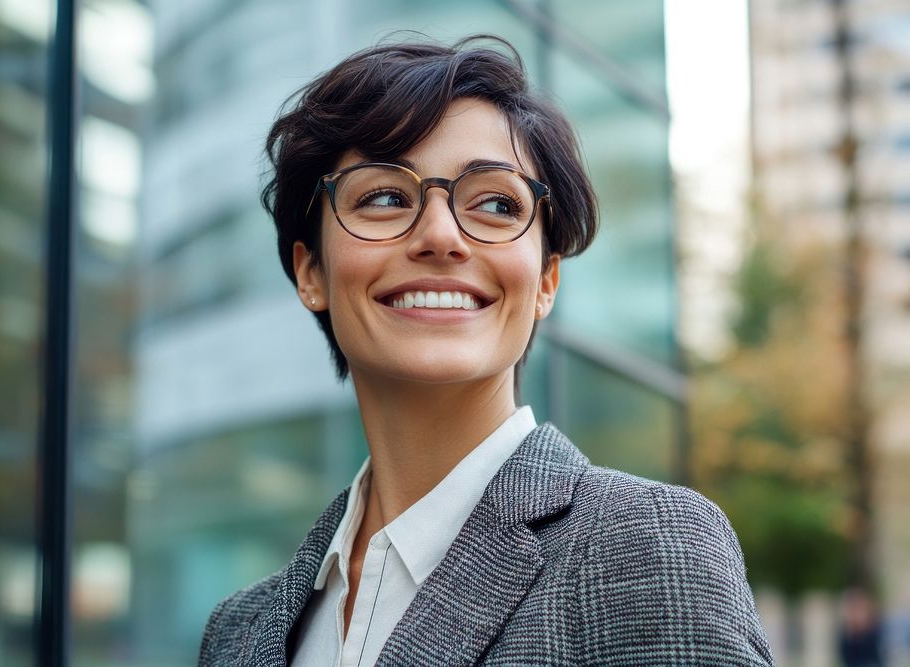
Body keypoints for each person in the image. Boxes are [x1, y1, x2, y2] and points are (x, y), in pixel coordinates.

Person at [198, 35, 773, 666]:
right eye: (385, 197)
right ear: (311, 273)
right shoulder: (238, 630)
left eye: (497, 205)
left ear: (545, 281)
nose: (442, 236)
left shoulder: (648, 549)